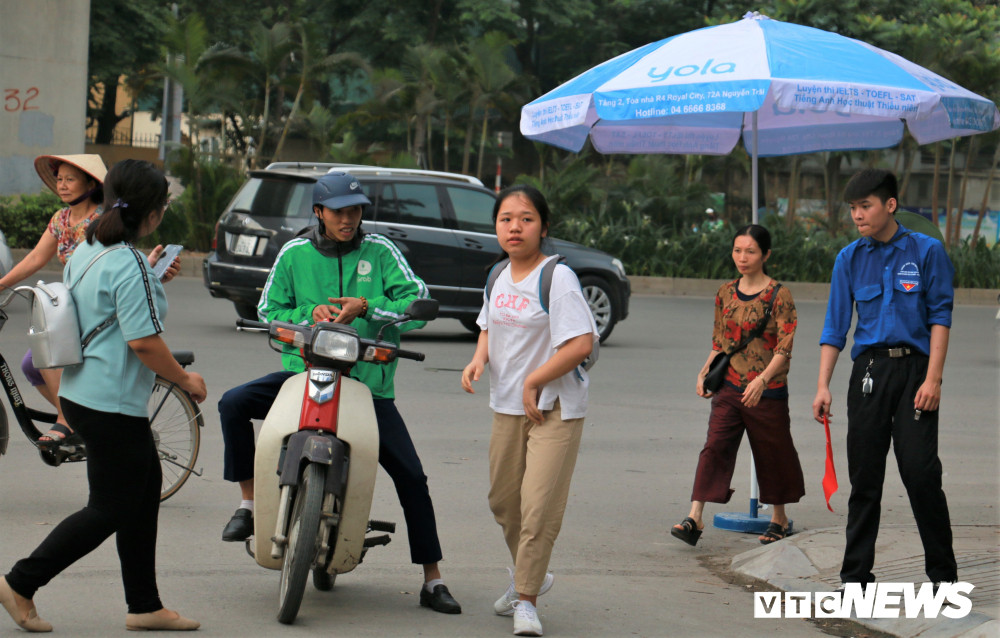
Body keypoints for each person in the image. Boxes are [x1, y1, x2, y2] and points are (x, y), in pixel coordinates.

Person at [217, 171, 462, 614]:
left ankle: (433, 578)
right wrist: (309, 312)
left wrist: (367, 306)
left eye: (355, 211)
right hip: (303, 378)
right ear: (318, 212)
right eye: (338, 212)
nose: (348, 219)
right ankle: (248, 504)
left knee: (412, 477)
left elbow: (417, 301)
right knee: (232, 403)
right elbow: (268, 309)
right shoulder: (294, 253)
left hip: (368, 387)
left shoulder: (380, 251)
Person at [0, 159, 207, 633]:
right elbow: (144, 343)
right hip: (110, 402)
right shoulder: (127, 263)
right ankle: (19, 583)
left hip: (82, 393)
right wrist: (185, 380)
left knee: (144, 491)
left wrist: (149, 272)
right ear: (153, 213)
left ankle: (145, 605)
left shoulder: (90, 247)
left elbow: (107, 303)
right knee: (110, 507)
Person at [461, 184, 598, 637]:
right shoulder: (498, 274)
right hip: (507, 406)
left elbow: (581, 343)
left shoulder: (558, 278)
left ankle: (526, 600)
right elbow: (488, 325)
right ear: (496, 227)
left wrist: (534, 380)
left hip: (555, 408)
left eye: (526, 218)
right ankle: (531, 574)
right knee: (504, 502)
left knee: (538, 508)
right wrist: (479, 358)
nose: (515, 227)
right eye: (506, 219)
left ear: (543, 226)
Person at [811, 168, 958, 588]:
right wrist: (823, 386)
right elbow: (835, 328)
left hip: (916, 374)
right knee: (865, 479)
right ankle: (856, 578)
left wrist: (933, 380)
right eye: (853, 208)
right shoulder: (849, 259)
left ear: (890, 205)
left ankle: (944, 580)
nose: (857, 215)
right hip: (869, 374)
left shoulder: (927, 252)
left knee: (921, 474)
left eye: (865, 206)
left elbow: (941, 316)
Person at [0, 154, 179, 450]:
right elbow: (35, 258)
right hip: (69, 310)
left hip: (90, 314)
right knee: (33, 364)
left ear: (91, 185)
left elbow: (120, 271)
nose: (62, 185)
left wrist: (147, 271)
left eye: (70, 179)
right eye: (59, 179)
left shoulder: (101, 222)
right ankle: (72, 417)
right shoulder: (61, 219)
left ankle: (68, 419)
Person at [671, 224, 804, 547]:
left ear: (765, 255)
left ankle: (778, 518)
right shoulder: (725, 292)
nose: (742, 258)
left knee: (773, 453)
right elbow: (721, 341)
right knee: (714, 447)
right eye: (737, 250)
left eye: (750, 251)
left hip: (767, 391)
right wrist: (704, 371)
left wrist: (762, 380)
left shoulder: (779, 295)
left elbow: (785, 348)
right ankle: (695, 517)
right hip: (730, 386)